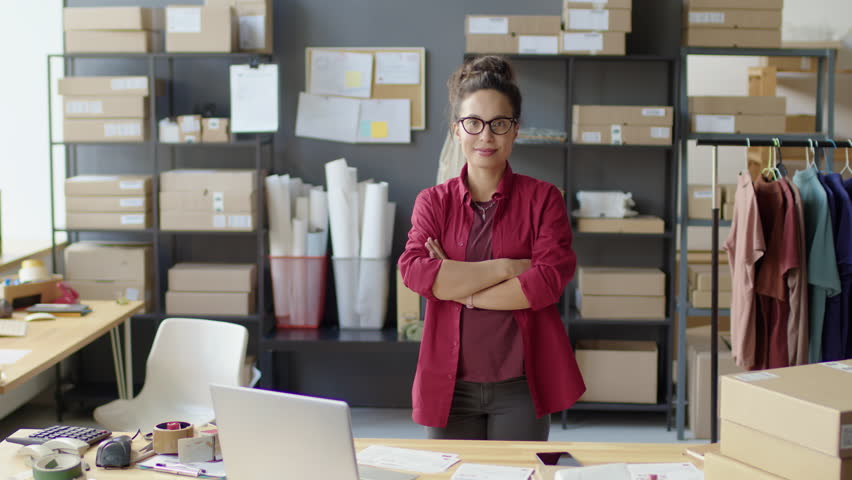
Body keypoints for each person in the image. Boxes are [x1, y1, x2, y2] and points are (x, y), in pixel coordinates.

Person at [397, 55, 585, 441]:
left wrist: (459, 287)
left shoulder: (544, 199)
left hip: (520, 384)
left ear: (515, 130)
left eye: (499, 124)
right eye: (474, 123)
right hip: (449, 385)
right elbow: (415, 272)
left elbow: (547, 282)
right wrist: (507, 268)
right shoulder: (434, 202)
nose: (486, 136)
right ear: (457, 131)